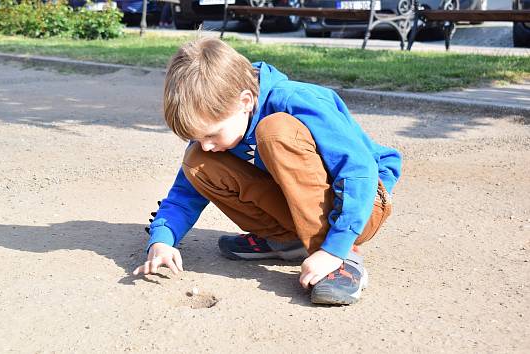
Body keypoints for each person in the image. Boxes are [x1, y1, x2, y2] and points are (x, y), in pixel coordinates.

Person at [133, 37, 402, 305]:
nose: (206, 145)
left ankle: (342, 261)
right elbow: (184, 194)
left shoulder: (296, 100)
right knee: (196, 160)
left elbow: (357, 170)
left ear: (246, 101)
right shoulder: (217, 127)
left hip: (363, 204)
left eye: (212, 135)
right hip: (301, 211)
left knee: (275, 131)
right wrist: (162, 240)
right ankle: (287, 241)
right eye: (199, 136)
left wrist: (335, 248)